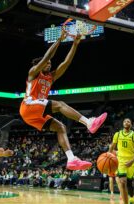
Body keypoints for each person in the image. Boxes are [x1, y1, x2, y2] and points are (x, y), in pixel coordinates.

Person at [19, 30, 107, 171]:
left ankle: (71, 159)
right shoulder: (33, 72)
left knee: (61, 127)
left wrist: (75, 44)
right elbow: (48, 55)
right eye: (46, 63)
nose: (49, 64)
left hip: (34, 114)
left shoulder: (51, 77)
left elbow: (66, 63)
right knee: (60, 105)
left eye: (50, 63)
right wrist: (59, 39)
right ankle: (88, 122)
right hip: (28, 106)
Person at [109, 118, 134, 204]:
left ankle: (132, 198)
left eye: (128, 121)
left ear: (131, 124)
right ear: (123, 124)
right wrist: (109, 156)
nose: (126, 122)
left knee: (129, 184)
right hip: (121, 162)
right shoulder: (117, 135)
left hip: (131, 162)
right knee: (122, 182)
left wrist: (132, 161)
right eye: (125, 121)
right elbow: (112, 148)